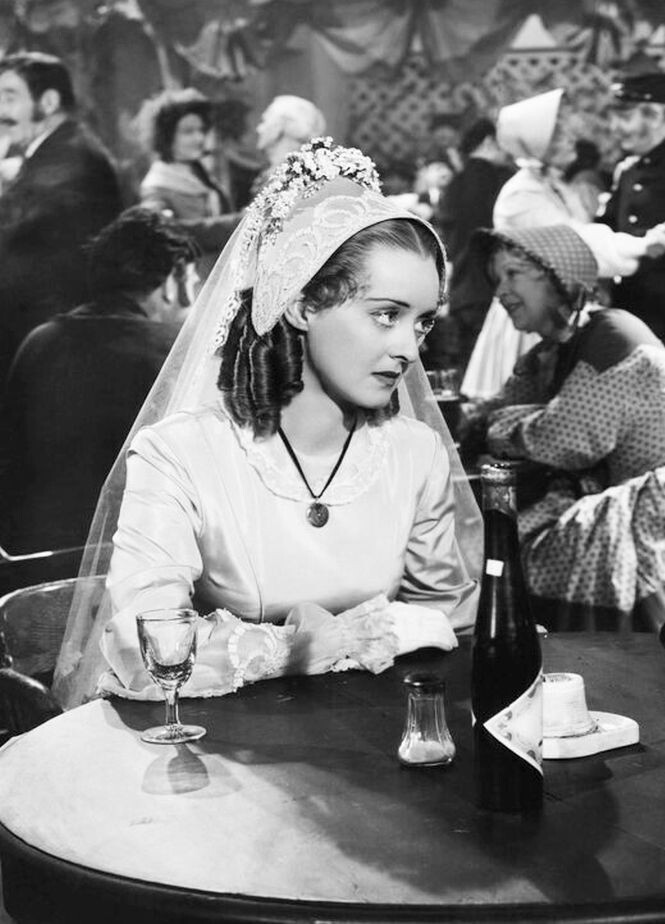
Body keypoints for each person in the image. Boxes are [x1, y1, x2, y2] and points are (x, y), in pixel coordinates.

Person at [52, 137, 482, 709]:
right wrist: (303, 647)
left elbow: (451, 619)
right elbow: (143, 639)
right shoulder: (180, 452)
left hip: (374, 735)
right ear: (302, 306)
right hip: (220, 741)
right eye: (386, 315)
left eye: (423, 323)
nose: (408, 348)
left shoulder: (414, 451)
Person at [462, 223, 665, 625]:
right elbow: (490, 412)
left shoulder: (612, 335)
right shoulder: (550, 352)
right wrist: (490, 421)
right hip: (599, 499)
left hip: (648, 513)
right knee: (489, 537)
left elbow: (563, 440)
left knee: (506, 551)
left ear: (559, 277)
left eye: (513, 274)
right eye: (497, 279)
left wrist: (496, 428)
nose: (501, 292)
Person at [0, 208, 199, 553]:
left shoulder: (39, 340)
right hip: (132, 550)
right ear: (172, 283)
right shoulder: (174, 352)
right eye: (195, 283)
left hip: (30, 550)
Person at [462, 87, 664, 399]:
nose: (571, 139)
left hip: (559, 309)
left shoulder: (553, 185)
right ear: (537, 142)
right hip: (535, 316)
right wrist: (645, 244)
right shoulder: (523, 194)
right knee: (535, 400)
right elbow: (575, 247)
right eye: (559, 134)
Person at [0, 52, 122, 385]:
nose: (1, 111)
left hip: (52, 341)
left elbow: (14, 233)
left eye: (9, 98)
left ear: (49, 102)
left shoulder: (69, 158)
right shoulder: (59, 148)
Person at [427, 117, 514, 369]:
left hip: (463, 290)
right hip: (492, 288)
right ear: (489, 141)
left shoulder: (455, 183)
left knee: (469, 369)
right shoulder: (500, 181)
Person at [138, 88, 242, 280]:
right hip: (191, 284)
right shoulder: (156, 186)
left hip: (222, 275)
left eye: (201, 130)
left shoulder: (199, 172)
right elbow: (162, 232)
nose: (199, 138)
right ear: (167, 136)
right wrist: (236, 223)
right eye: (188, 132)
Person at [599, 71, 665, 339]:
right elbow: (607, 228)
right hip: (632, 313)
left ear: (656, 116)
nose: (614, 128)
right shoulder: (627, 171)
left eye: (625, 117)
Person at [251, 95, 326, 196]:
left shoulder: (291, 178)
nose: (259, 129)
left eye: (264, 121)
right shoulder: (274, 172)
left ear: (280, 127)